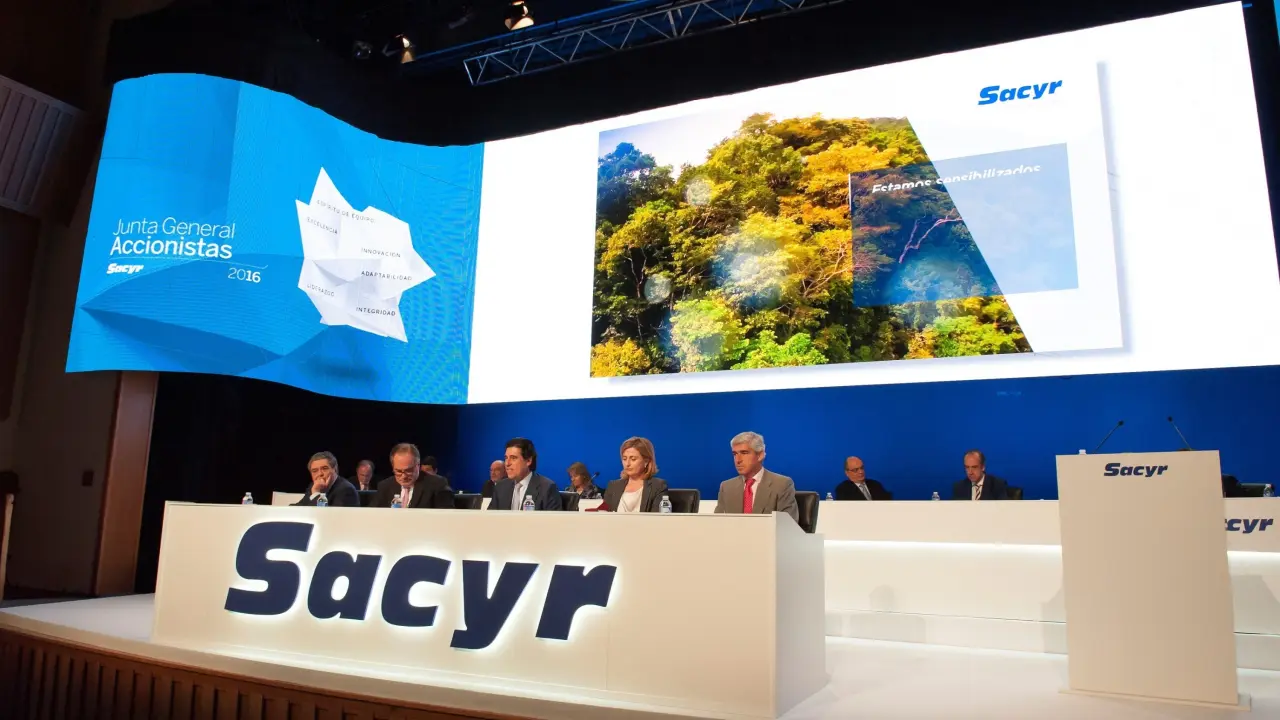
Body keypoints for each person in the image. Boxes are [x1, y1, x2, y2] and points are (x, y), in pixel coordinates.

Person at [714, 431, 798, 522]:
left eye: (744, 453)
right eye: (735, 454)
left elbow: (788, 525)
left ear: (760, 455)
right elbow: (717, 524)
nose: (738, 460)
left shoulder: (782, 485)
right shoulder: (726, 487)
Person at [488, 438, 562, 510]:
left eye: (513, 458)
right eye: (506, 458)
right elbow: (489, 517)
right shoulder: (500, 487)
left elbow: (553, 518)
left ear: (528, 461)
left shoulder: (547, 488)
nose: (507, 463)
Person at [373, 443, 455, 508]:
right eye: (398, 471)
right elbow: (371, 514)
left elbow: (447, 517)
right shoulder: (385, 487)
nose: (404, 476)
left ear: (418, 466)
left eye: (408, 471)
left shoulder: (437, 485)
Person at [602, 438, 668, 512]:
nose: (627, 464)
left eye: (633, 459)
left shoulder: (658, 486)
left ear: (646, 461)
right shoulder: (613, 486)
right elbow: (604, 515)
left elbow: (657, 517)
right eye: (624, 459)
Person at [293, 451, 358, 507]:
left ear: (335, 469)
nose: (320, 474)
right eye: (315, 471)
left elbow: (322, 514)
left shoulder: (346, 490)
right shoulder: (314, 486)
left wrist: (316, 493)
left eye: (324, 468)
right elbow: (301, 505)